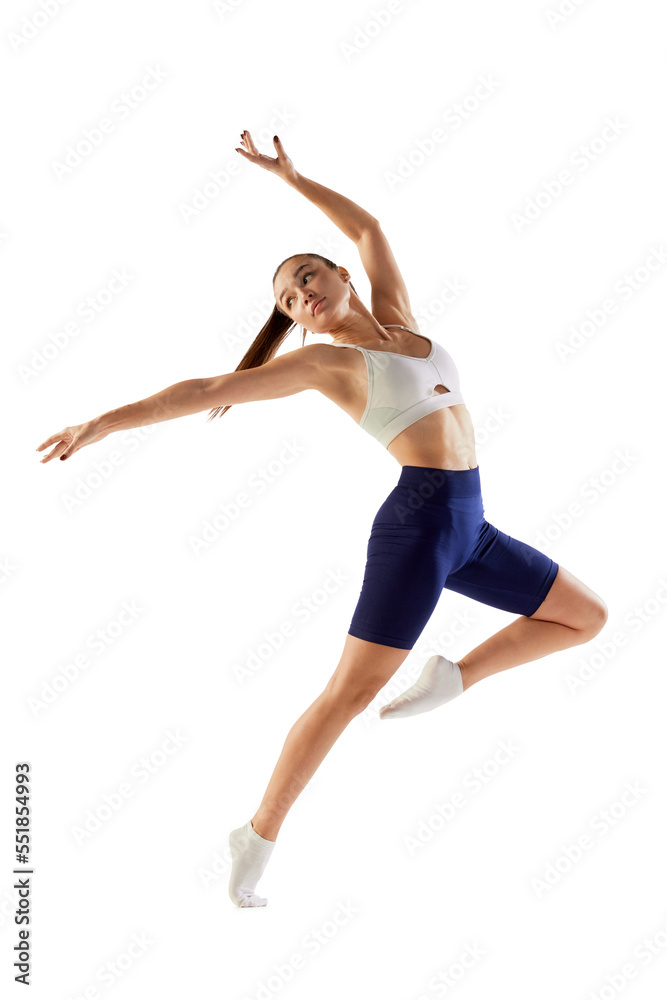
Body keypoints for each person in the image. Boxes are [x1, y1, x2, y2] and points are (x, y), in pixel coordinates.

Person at [36, 131, 608, 908]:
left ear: (339, 275)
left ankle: (454, 679)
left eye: (309, 277)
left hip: (469, 522)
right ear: (300, 322)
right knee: (346, 694)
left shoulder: (404, 324)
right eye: (289, 300)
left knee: (584, 615)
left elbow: (369, 230)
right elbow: (203, 390)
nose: (303, 296)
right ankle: (259, 832)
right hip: (416, 525)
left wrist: (293, 178)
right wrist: (101, 423)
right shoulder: (325, 363)